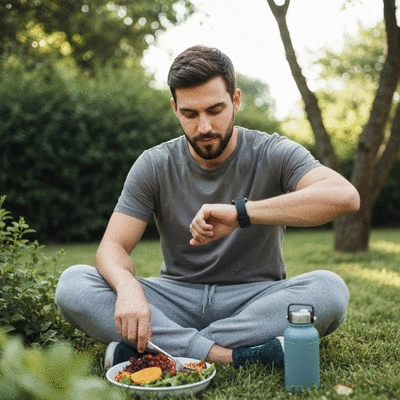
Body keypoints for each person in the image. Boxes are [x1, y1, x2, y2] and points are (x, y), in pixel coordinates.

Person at [55, 45, 360, 370]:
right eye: (190, 113)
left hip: (254, 300)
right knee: (74, 283)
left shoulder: (273, 151)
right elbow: (112, 247)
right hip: (175, 298)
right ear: (175, 108)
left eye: (215, 110)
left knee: (330, 289)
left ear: (236, 100)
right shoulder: (154, 164)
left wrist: (242, 213)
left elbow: (344, 197)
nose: (203, 127)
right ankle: (232, 356)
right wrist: (128, 288)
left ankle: (159, 350)